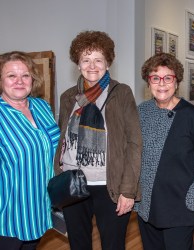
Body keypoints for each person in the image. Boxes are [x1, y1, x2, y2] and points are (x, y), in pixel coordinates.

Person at [53, 30, 142, 250]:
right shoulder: (67, 97)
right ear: (78, 63)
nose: (92, 66)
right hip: (72, 184)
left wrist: (128, 190)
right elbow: (61, 139)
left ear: (108, 63)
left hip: (109, 186)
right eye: (86, 60)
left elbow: (134, 142)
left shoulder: (121, 93)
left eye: (98, 60)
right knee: (78, 244)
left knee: (113, 245)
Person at [0, 51, 60, 249]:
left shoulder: (42, 107)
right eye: (11, 76)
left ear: (33, 80)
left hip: (37, 211)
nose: (19, 81)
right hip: (7, 218)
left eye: (25, 75)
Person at [135, 52, 194, 250]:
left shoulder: (192, 115)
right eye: (155, 78)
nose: (162, 83)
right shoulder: (141, 111)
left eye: (167, 78)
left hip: (181, 201)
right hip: (148, 201)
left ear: (176, 82)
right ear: (149, 82)